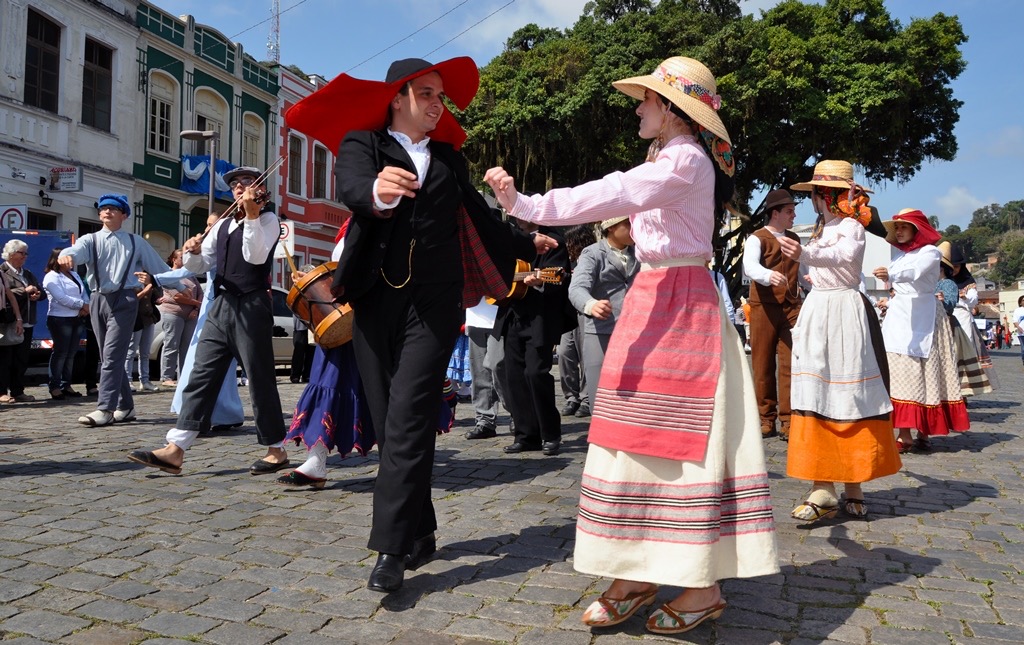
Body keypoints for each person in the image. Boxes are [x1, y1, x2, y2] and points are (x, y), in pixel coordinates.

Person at [485, 56, 778, 634]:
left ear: (670, 109)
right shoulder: (667, 157)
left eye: (646, 100)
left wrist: (526, 205)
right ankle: (637, 571)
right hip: (655, 299)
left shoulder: (685, 160)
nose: (638, 107)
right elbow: (621, 193)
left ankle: (699, 583)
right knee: (631, 436)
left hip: (680, 304)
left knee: (678, 439)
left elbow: (612, 194)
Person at [285, 56, 545, 593]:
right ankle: (421, 526)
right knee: (389, 424)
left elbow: (480, 218)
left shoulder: (449, 159)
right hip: (374, 301)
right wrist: (381, 191)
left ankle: (391, 548)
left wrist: (530, 241)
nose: (436, 105)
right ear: (398, 97)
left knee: (407, 417)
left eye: (440, 96)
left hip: (436, 303)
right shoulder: (365, 144)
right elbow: (354, 190)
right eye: (426, 94)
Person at [127, 166, 287, 474]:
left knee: (259, 377)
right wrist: (193, 252)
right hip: (220, 304)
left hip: (252, 304)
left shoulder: (268, 220)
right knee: (201, 374)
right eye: (236, 184)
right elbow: (203, 265)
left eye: (246, 183)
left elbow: (255, 256)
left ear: (258, 191)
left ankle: (276, 449)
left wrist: (252, 216)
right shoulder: (224, 223)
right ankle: (176, 448)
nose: (240, 188)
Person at [779, 160, 901, 522]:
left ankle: (853, 483)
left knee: (849, 393)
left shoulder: (852, 226)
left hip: (845, 311)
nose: (815, 200)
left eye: (818, 193)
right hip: (819, 309)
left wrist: (804, 253)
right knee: (816, 393)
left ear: (827, 195)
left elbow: (845, 257)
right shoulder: (821, 229)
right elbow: (819, 267)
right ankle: (823, 484)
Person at [58, 195, 171, 426]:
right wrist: (66, 256)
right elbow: (75, 251)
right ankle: (126, 406)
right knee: (108, 356)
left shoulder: (135, 241)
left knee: (111, 355)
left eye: (114, 208)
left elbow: (159, 267)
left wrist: (182, 285)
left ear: (124, 215)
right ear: (99, 214)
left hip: (126, 299)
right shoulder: (90, 239)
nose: (107, 212)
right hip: (98, 298)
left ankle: (105, 408)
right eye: (104, 208)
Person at [874, 209, 968, 453]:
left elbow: (915, 272)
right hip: (899, 316)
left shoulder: (930, 252)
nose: (900, 231)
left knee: (926, 371)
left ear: (917, 229)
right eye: (897, 228)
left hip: (925, 315)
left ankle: (924, 430)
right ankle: (904, 434)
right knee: (898, 371)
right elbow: (900, 277)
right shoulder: (898, 256)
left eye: (904, 226)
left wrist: (890, 274)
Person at [495, 220, 571, 456]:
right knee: (513, 375)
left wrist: (540, 279)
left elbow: (559, 275)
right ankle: (526, 435)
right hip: (513, 314)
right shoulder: (510, 238)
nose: (516, 216)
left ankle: (551, 433)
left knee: (536, 373)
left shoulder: (553, 240)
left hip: (540, 316)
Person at [170, 213, 245, 431]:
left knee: (220, 364)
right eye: (208, 224)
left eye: (213, 225)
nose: (209, 229)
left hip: (225, 307)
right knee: (199, 361)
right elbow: (190, 268)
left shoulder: (229, 247)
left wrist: (156, 277)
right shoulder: (207, 249)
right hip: (208, 310)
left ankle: (223, 413)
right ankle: (200, 413)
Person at [742, 188, 803, 439]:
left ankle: (788, 420)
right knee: (762, 363)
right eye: (789, 211)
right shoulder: (757, 238)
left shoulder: (796, 239)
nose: (794, 215)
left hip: (791, 307)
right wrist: (768, 275)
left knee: (791, 364)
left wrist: (811, 282)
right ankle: (766, 418)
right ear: (775, 213)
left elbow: (804, 269)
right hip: (763, 306)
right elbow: (750, 267)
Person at [568, 216, 638, 414]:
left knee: (634, 397)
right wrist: (591, 304)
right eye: (629, 224)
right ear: (612, 226)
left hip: (635, 334)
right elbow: (577, 288)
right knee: (600, 397)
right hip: (600, 331)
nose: (634, 228)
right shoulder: (592, 253)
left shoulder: (641, 254)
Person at [557, 224, 596, 418]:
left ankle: (586, 397)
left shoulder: (592, 258)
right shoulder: (568, 260)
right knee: (565, 354)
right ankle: (571, 396)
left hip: (585, 313)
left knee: (585, 356)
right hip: (567, 313)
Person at [1, 239, 44, 403]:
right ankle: (1, 391)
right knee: (5, 359)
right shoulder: (2, 272)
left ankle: (18, 391)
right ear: (11, 254)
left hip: (27, 321)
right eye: (22, 253)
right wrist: (24, 291)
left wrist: (38, 294)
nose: (25, 256)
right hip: (7, 322)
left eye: (26, 253)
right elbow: (4, 293)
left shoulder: (27, 274)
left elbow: (41, 291)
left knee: (21, 359)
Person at [41, 248, 87, 400]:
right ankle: (55, 386)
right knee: (61, 353)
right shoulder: (51, 277)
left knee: (71, 353)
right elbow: (61, 298)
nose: (71, 262)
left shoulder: (74, 274)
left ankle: (66, 384)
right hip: (60, 319)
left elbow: (83, 292)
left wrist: (86, 305)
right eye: (69, 258)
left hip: (76, 318)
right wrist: (82, 305)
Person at [463, 295, 510, 440]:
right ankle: (484, 420)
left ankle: (516, 412)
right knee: (479, 373)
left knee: (498, 368)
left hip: (500, 315)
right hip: (474, 315)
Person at [157, 249, 202, 386]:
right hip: (173, 313)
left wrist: (195, 308)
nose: (184, 259)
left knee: (186, 346)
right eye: (182, 257)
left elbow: (199, 292)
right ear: (174, 260)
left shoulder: (191, 275)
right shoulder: (170, 274)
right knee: (172, 344)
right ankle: (167, 376)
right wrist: (198, 303)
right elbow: (177, 296)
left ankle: (184, 374)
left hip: (191, 315)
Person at [124, 272, 160, 392]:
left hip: (148, 318)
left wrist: (157, 297)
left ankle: (145, 380)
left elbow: (154, 297)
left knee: (145, 352)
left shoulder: (148, 280)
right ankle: (127, 380)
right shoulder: (130, 280)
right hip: (136, 319)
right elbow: (133, 299)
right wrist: (146, 289)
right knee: (131, 351)